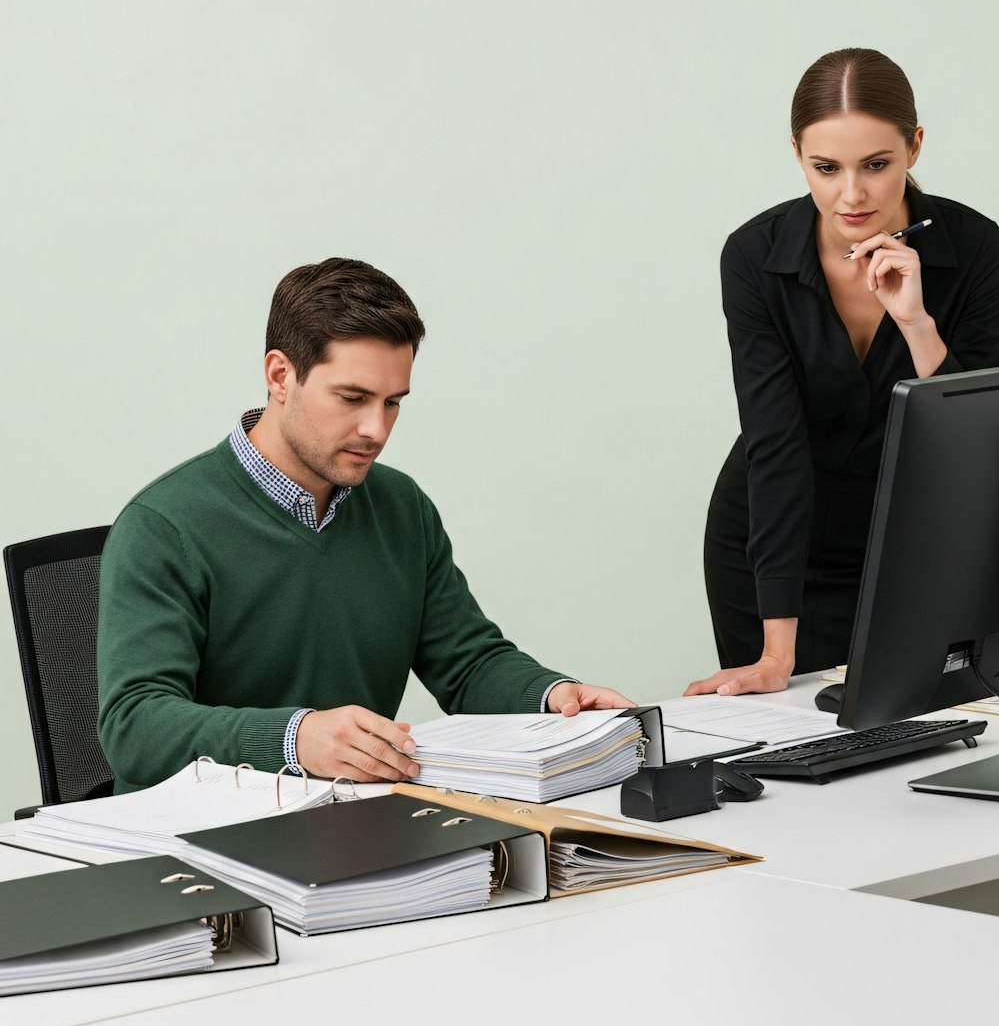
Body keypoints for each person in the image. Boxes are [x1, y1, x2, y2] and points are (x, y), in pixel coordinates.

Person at [97, 258, 634, 791]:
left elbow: (467, 663)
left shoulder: (401, 506)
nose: (376, 429)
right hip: (191, 840)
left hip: (351, 824)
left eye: (393, 403)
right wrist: (296, 738)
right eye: (352, 398)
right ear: (281, 376)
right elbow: (134, 727)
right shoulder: (164, 525)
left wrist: (555, 696)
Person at [689, 48, 999, 699]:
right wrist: (777, 653)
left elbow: (978, 437)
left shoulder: (975, 247)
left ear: (915, 146)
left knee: (922, 732)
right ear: (797, 153)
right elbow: (775, 446)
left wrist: (917, 323)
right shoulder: (754, 258)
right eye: (826, 168)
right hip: (775, 542)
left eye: (876, 165)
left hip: (907, 539)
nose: (852, 195)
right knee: (795, 741)